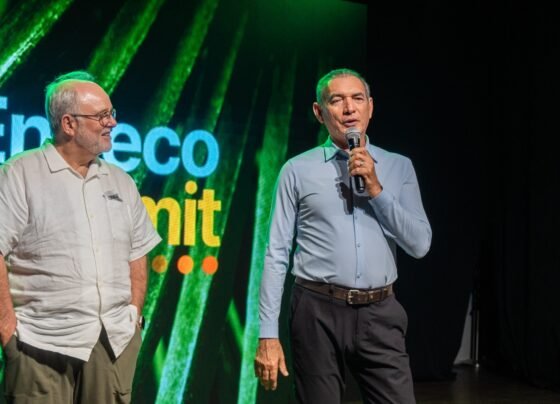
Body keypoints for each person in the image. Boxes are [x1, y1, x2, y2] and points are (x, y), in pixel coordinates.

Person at [254, 68, 432, 403]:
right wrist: (268, 334)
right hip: (316, 310)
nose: (349, 108)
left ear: (370, 107)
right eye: (337, 100)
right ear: (319, 112)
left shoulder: (398, 166)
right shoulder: (297, 169)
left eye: (357, 98)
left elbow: (420, 244)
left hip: (380, 311)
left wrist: (376, 189)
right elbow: (276, 253)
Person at [0, 71, 161, 403]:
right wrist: (6, 329)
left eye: (111, 113)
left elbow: (137, 252)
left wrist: (133, 316)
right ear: (69, 124)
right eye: (101, 115)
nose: (112, 123)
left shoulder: (122, 181)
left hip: (112, 343)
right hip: (38, 343)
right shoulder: (19, 174)